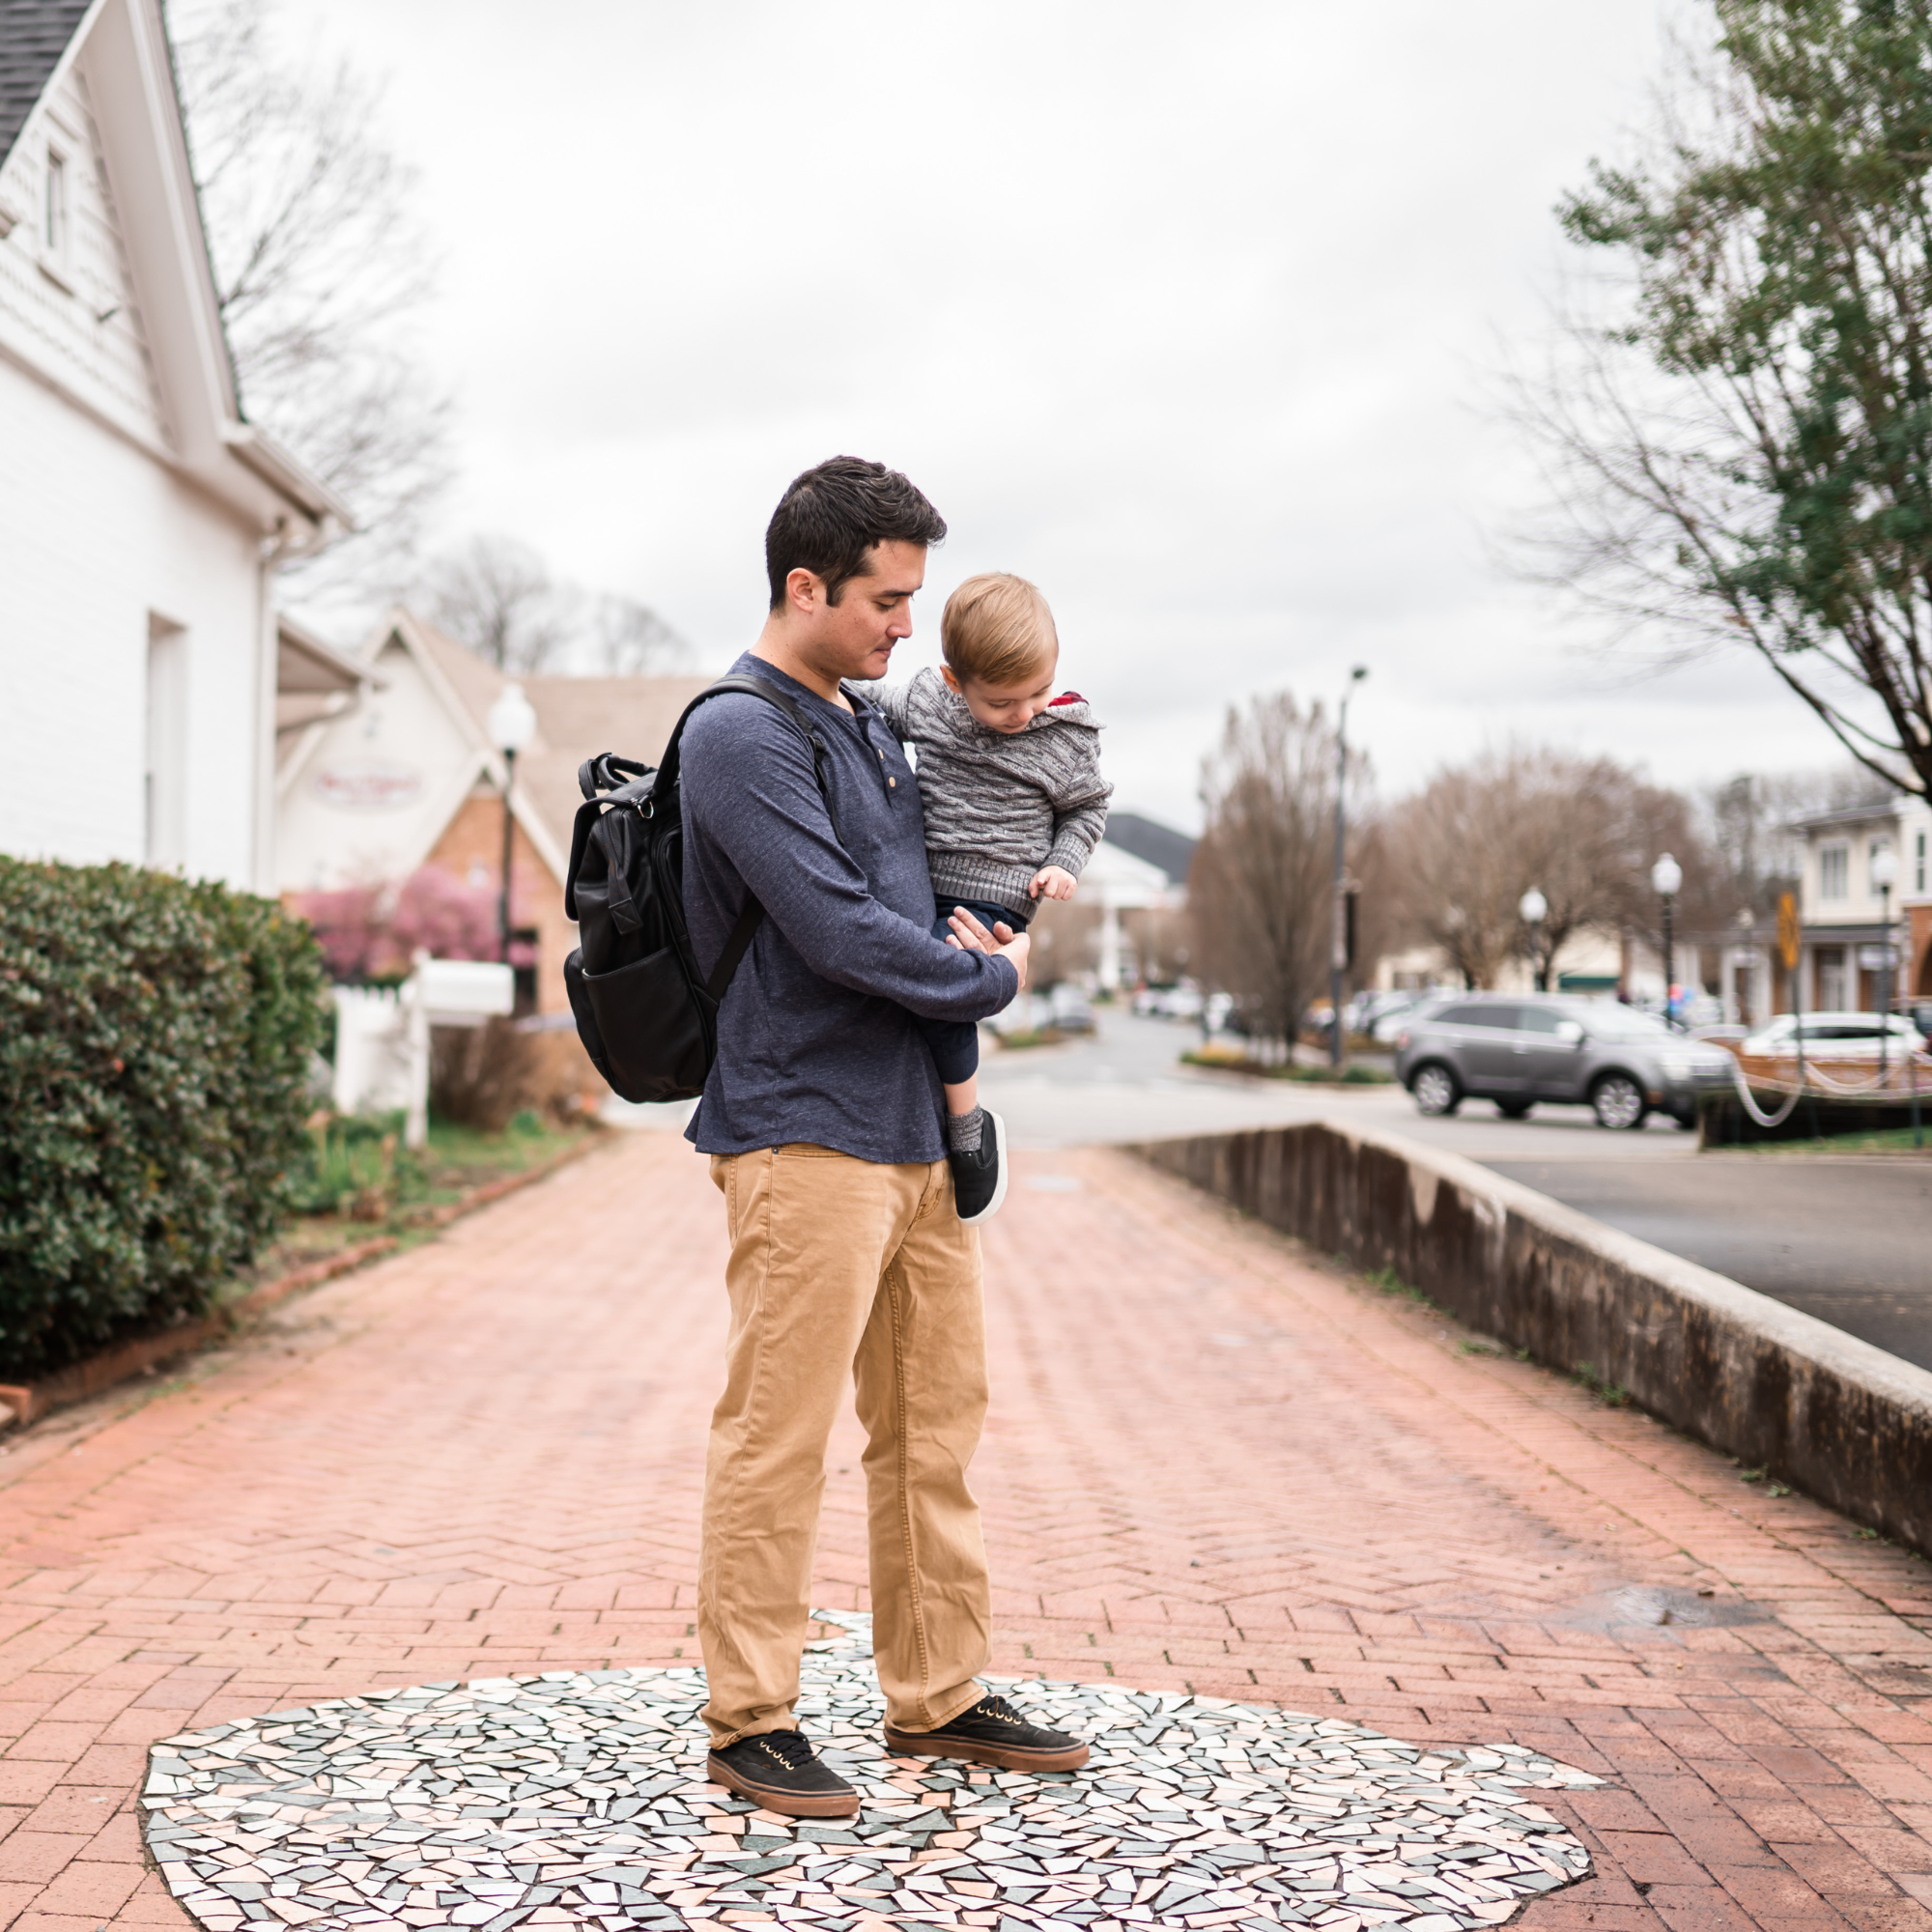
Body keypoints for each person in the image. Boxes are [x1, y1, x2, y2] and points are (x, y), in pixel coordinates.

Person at [678, 457, 1091, 1820]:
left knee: (932, 1434)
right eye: (885, 602)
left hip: (912, 1134)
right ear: (805, 587)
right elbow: (841, 932)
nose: (906, 629)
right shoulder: (743, 735)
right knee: (777, 1435)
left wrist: (996, 917)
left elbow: (926, 886)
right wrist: (988, 979)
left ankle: (942, 1693)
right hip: (805, 1136)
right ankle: (752, 1718)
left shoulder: (861, 721)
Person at [860, 572, 1111, 1223]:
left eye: (1038, 691)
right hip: (921, 882)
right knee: (890, 981)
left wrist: (1063, 865)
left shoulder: (1062, 738)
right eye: (1002, 702)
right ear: (953, 682)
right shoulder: (931, 705)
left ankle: (967, 1128)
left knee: (943, 994)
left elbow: (1085, 811)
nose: (1023, 713)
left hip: (998, 896)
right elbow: (873, 704)